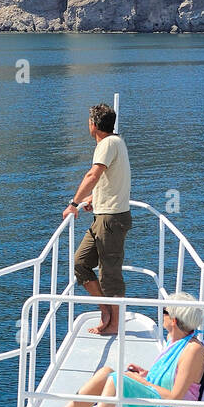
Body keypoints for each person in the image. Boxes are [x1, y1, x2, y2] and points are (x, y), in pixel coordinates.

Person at [26, 294, 204, 407]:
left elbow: (175, 397)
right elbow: (169, 378)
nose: (161, 315)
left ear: (174, 320)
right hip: (161, 404)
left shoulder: (193, 350)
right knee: (106, 372)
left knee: (118, 380)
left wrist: (137, 380)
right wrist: (145, 374)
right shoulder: (173, 340)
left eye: (164, 311)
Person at [63, 103, 132, 336]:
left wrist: (74, 204)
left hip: (111, 220)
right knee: (80, 263)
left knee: (110, 273)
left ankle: (114, 324)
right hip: (103, 216)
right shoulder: (116, 143)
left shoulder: (106, 144)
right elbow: (111, 179)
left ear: (93, 124)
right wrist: (95, 197)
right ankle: (106, 311)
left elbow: (93, 174)